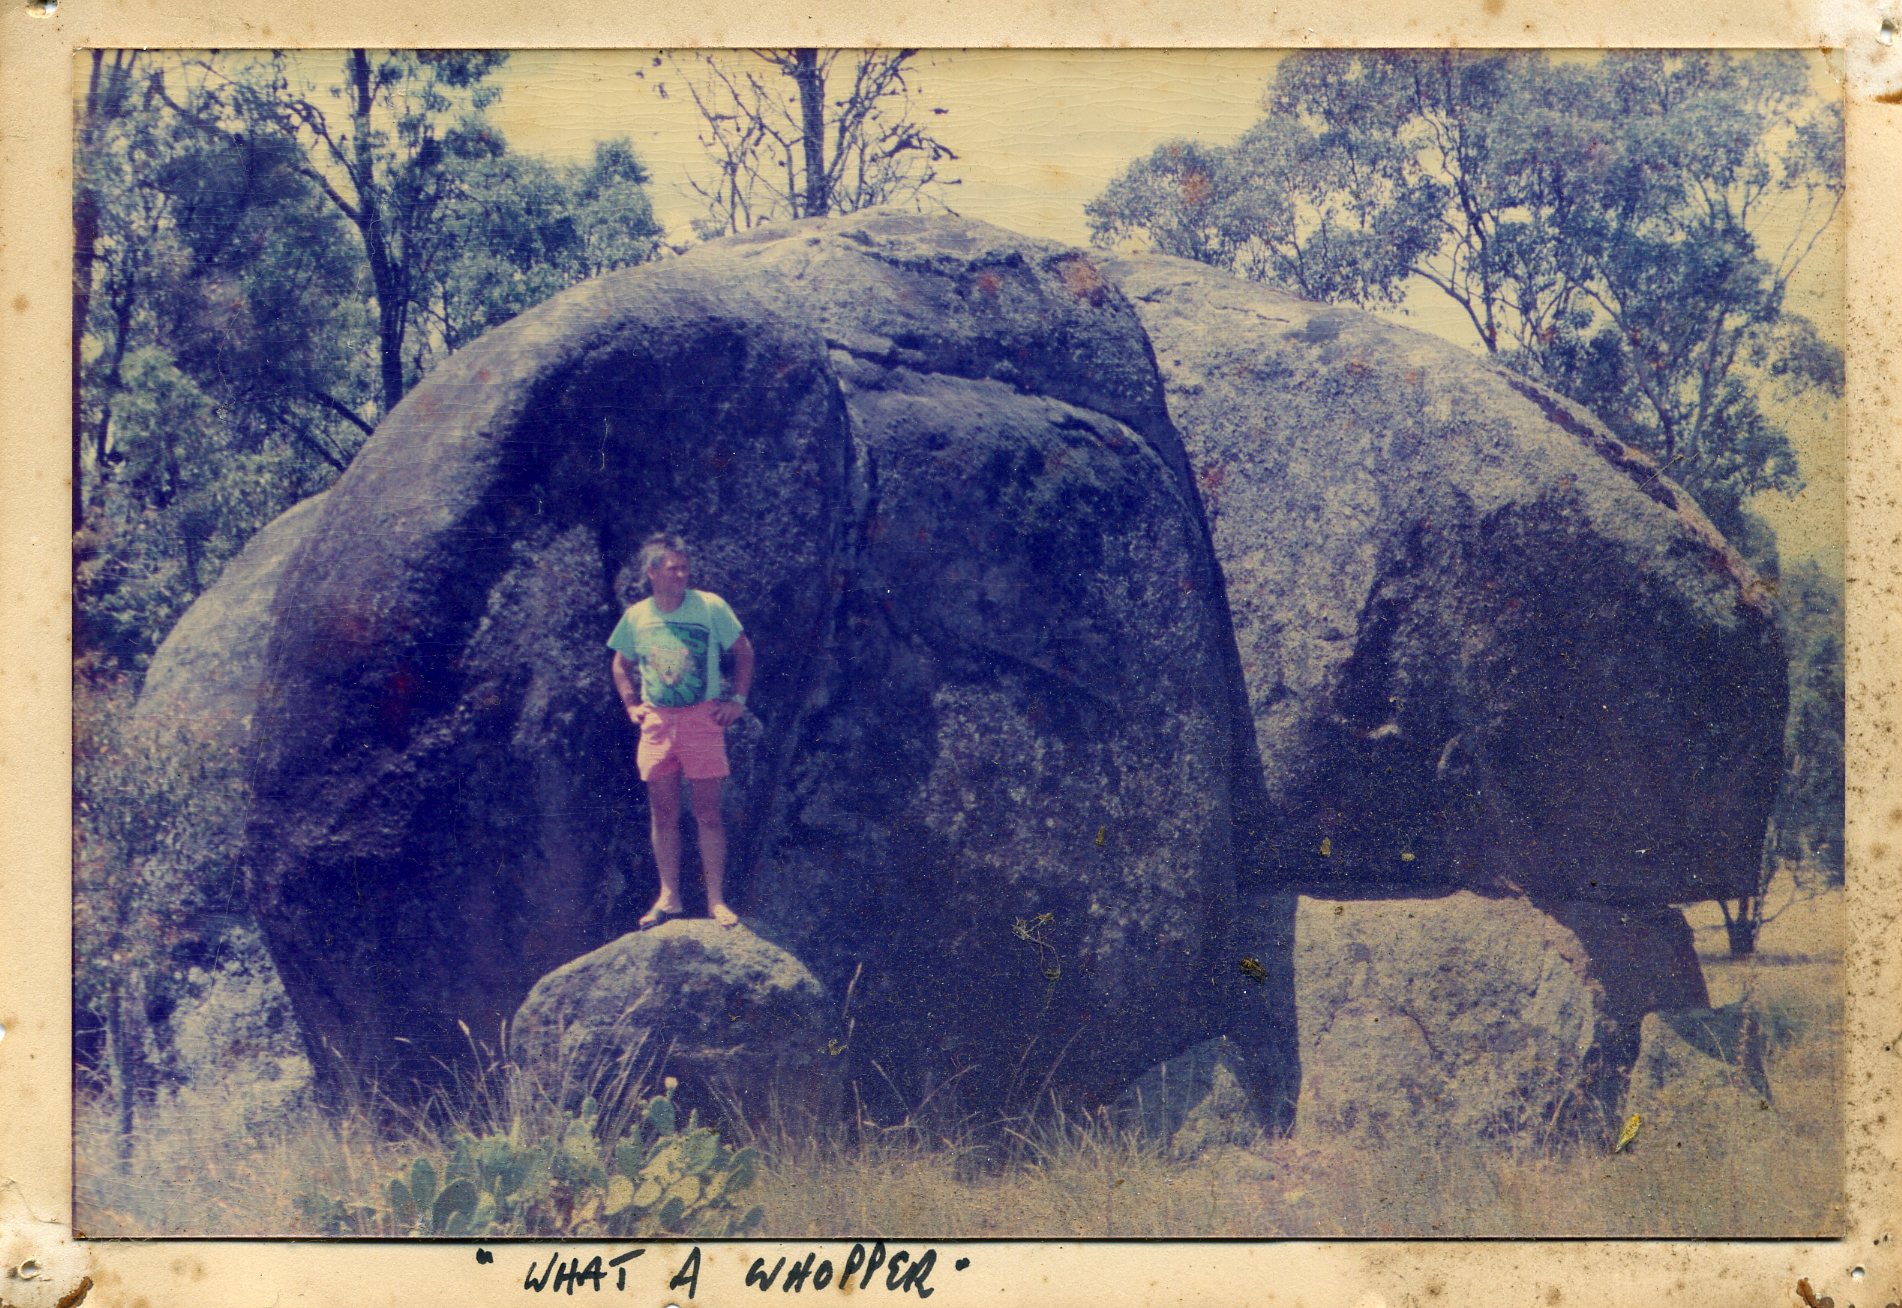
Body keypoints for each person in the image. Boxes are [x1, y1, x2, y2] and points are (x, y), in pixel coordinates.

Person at [608, 534, 755, 929]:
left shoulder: (710, 607)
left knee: (708, 813)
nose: (681, 575)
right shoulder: (637, 616)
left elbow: (744, 651)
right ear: (651, 572)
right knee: (663, 813)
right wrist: (631, 704)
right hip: (657, 723)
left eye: (684, 568)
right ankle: (669, 897)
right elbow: (620, 663)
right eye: (672, 568)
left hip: (701, 720)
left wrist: (737, 700)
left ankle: (716, 900)